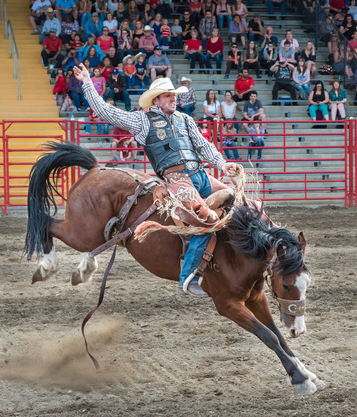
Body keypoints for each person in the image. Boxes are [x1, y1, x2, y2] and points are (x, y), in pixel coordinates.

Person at [74, 63, 240, 297]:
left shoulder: (185, 119)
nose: (173, 98)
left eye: (173, 95)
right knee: (205, 218)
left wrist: (223, 164)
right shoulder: (143, 121)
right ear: (156, 100)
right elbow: (107, 112)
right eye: (168, 95)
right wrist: (88, 83)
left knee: (235, 200)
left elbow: (203, 145)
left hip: (201, 175)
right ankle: (188, 276)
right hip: (177, 179)